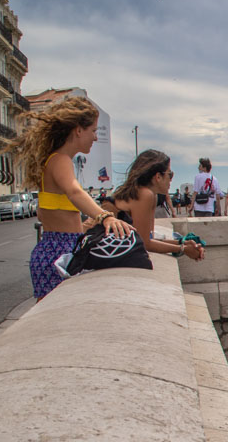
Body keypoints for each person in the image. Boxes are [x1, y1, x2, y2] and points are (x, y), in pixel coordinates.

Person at [12, 97, 139, 300]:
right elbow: (74, 192)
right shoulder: (60, 160)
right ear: (78, 130)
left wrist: (83, 225)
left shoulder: (56, 161)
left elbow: (48, 211)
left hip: (55, 248)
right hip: (58, 252)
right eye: (93, 130)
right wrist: (105, 217)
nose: (96, 137)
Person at [110, 151, 209, 262]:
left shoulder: (148, 194)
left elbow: (149, 239)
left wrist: (183, 242)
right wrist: (183, 249)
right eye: (169, 174)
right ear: (158, 177)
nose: (171, 179)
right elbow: (144, 243)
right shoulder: (145, 194)